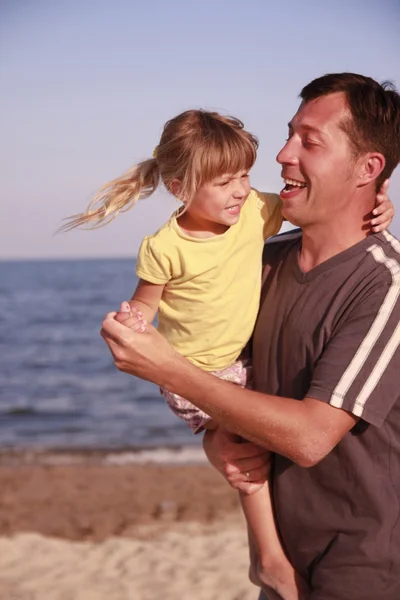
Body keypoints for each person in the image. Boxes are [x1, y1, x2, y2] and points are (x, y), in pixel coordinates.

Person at [100, 72, 400, 600]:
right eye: (288, 134)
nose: (283, 154)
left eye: (309, 141)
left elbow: (309, 436)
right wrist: (219, 443)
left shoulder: (384, 283)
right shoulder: (262, 259)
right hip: (283, 563)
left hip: (366, 567)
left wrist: (170, 369)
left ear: (368, 168)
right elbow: (231, 391)